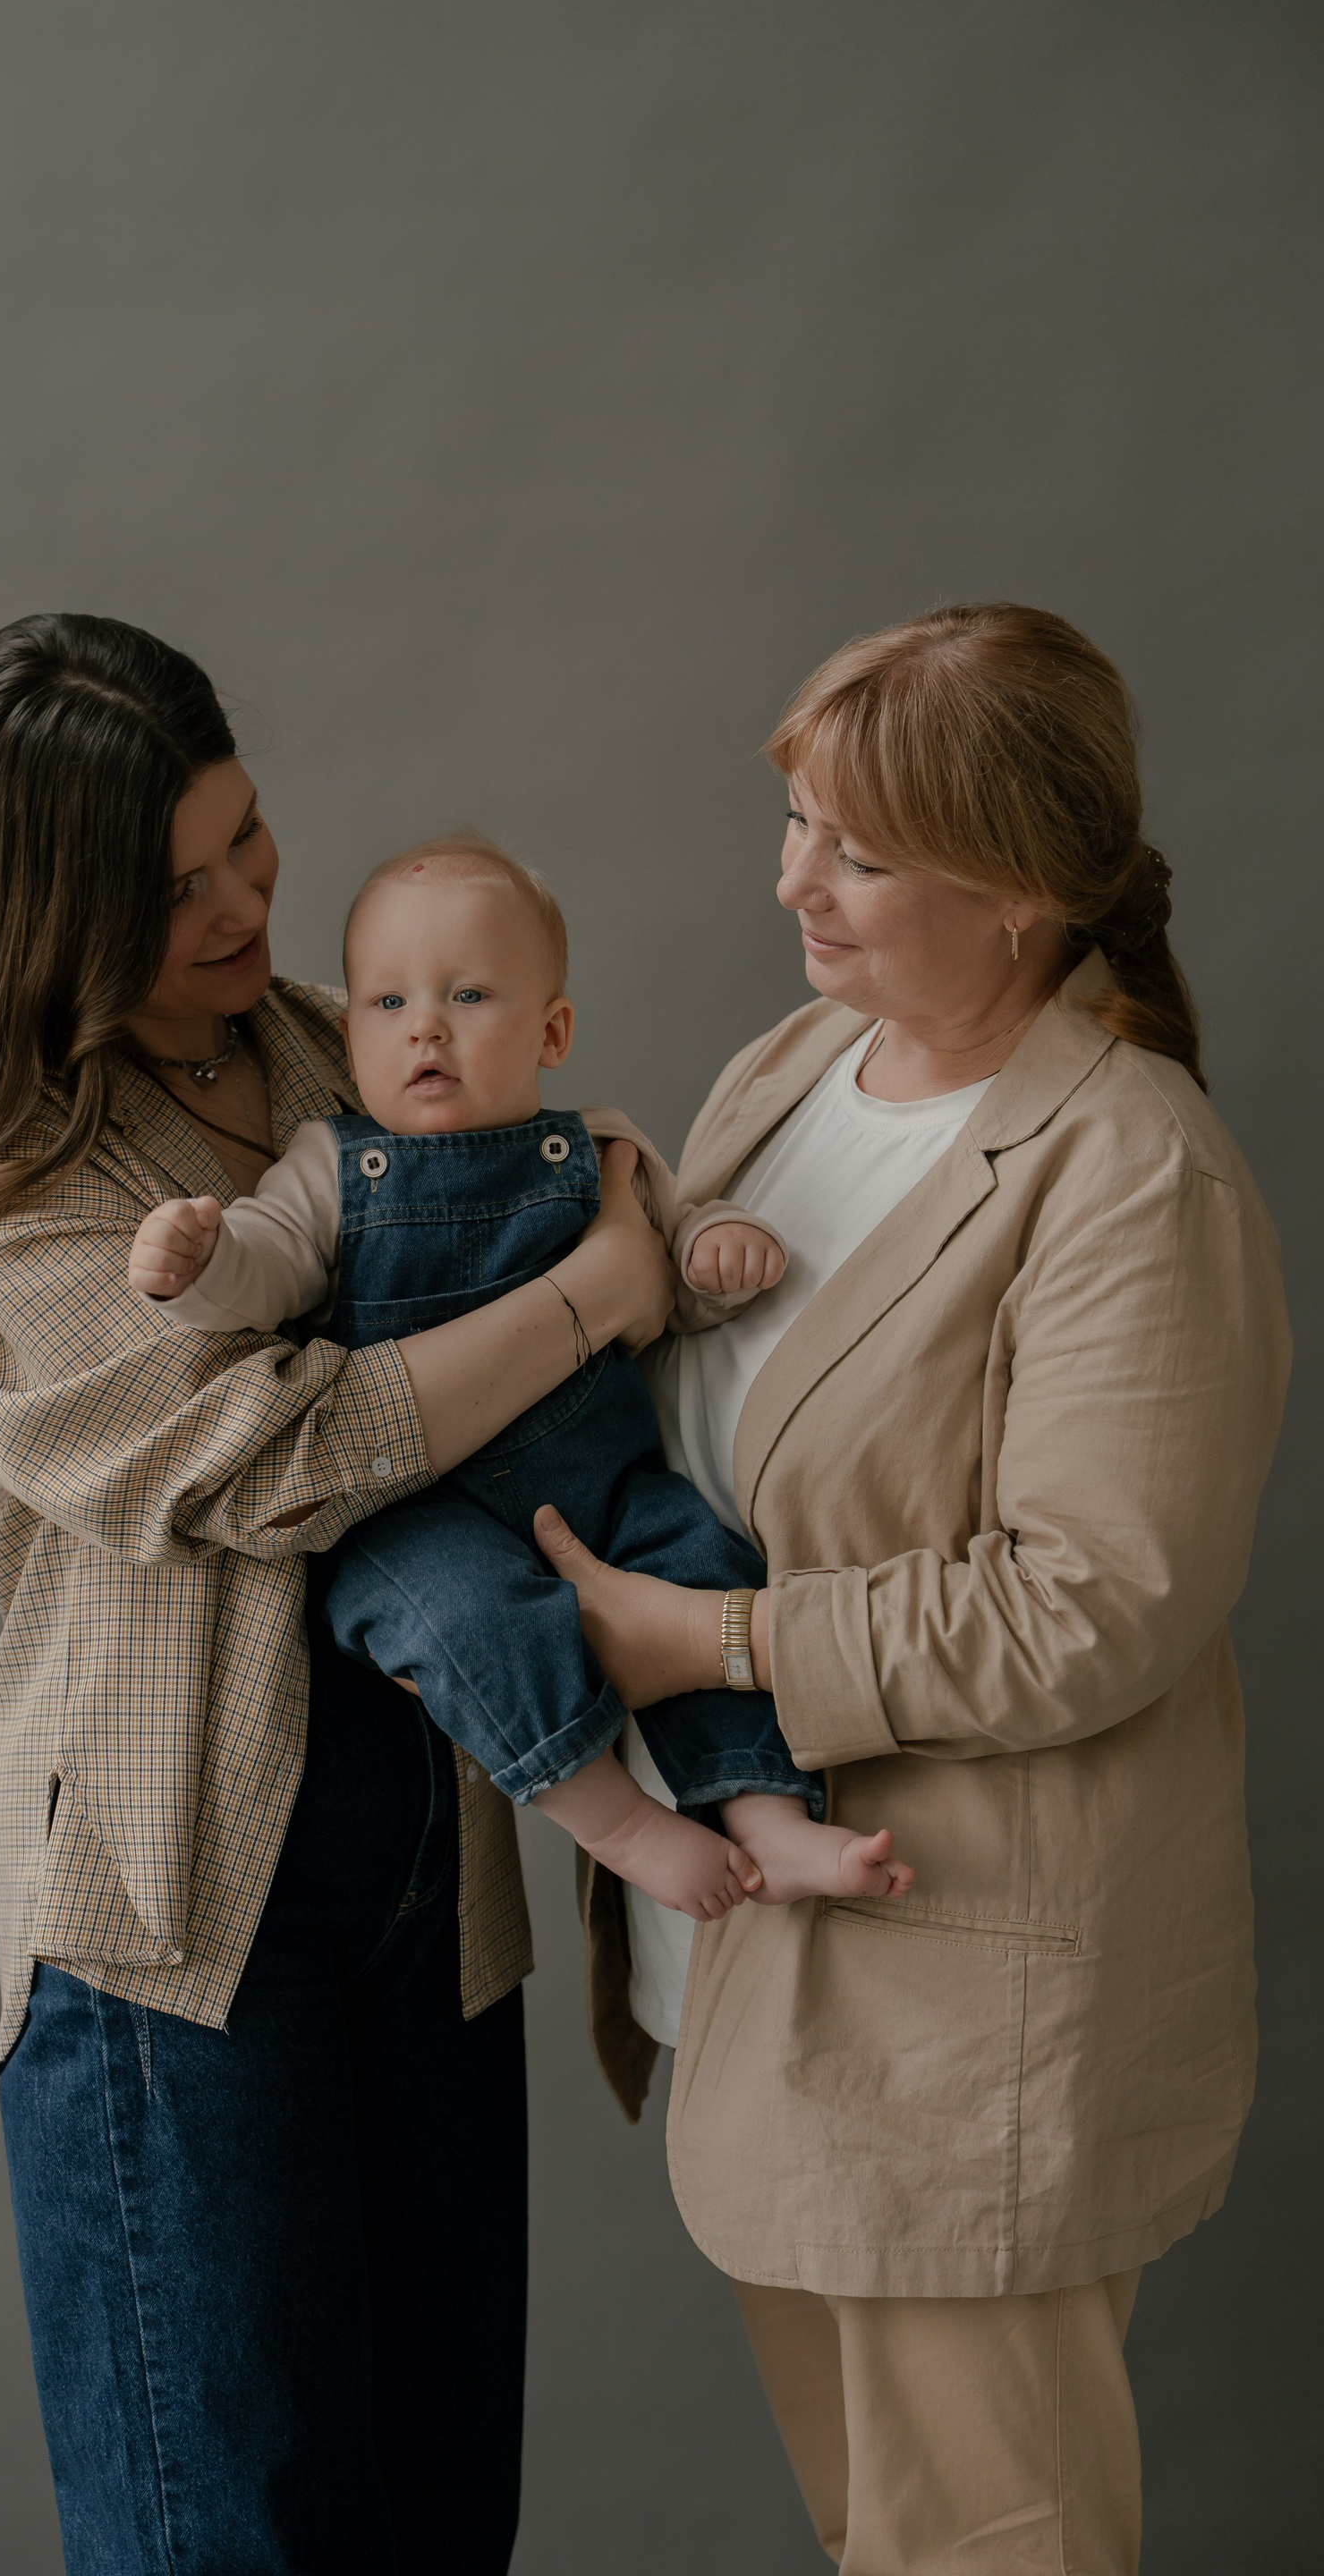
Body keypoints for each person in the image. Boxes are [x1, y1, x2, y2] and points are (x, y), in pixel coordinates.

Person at [0, 612, 680, 2576]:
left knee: (444, 2520)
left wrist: (642, 1235)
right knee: (238, 2540)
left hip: (432, 1880)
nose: (238, 906)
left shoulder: (327, 1042)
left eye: (247, 839)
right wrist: (589, 1302)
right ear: (47, 913)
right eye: (171, 884)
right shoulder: (20, 1187)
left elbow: (553, 1180)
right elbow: (274, 1457)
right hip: (175, 1924)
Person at [530, 603, 1291, 2576]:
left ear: (1023, 890)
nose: (793, 882)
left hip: (966, 2010)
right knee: (872, 2535)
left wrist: (707, 1644)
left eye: (858, 853)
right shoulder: (798, 1068)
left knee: (981, 2551)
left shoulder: (1130, 1170)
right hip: (764, 1974)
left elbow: (1095, 1603)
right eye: (796, 821)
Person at [128, 834, 915, 1915]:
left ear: (551, 1031)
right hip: (417, 1513)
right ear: (351, 1033)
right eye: (388, 1003)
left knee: (708, 1564)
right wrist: (203, 1263)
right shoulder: (331, 1167)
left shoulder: (595, 1149)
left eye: (468, 996)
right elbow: (265, 1269)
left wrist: (714, 1250)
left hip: (604, 1487)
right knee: (467, 1619)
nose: (426, 1028)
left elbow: (672, 1264)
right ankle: (619, 1823)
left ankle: (767, 1815)